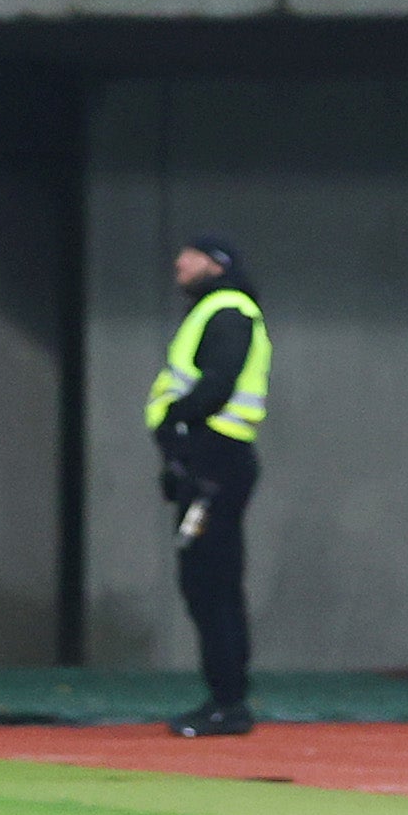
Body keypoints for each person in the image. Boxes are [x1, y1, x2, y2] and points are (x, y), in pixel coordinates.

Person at [148, 234, 269, 738]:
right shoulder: (217, 309)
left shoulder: (228, 310)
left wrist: (177, 422)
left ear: (216, 265)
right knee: (205, 581)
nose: (178, 262)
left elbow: (217, 382)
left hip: (215, 461)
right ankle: (225, 697)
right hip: (208, 461)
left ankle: (228, 702)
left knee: (211, 583)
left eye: (190, 255)